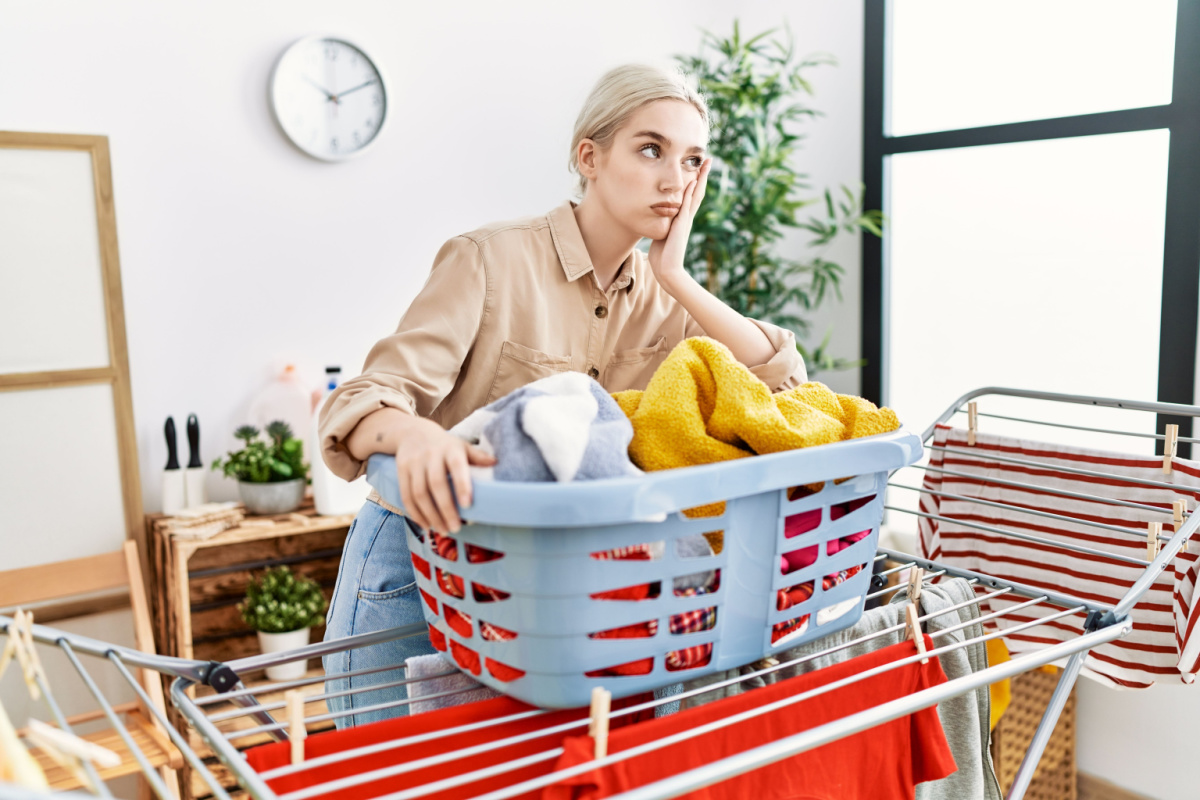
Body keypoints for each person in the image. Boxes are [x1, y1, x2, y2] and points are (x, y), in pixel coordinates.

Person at [317, 63, 808, 728]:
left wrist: (677, 276)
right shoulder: (488, 260)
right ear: (590, 157)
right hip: (419, 567)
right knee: (381, 779)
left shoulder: (670, 302)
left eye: (692, 161)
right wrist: (417, 436)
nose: (674, 179)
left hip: (551, 596)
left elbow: (784, 388)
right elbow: (365, 399)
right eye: (650, 149)